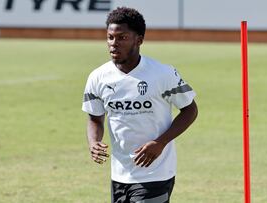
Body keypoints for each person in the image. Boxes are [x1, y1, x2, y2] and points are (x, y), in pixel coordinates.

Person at [82, 7, 198, 203]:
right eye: (110, 37)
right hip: (120, 174)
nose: (114, 44)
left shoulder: (162, 73)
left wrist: (160, 142)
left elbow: (190, 110)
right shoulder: (98, 77)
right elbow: (95, 117)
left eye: (122, 38)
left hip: (156, 172)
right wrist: (94, 142)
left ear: (139, 40)